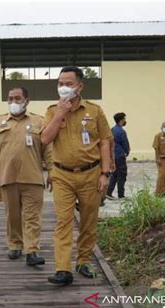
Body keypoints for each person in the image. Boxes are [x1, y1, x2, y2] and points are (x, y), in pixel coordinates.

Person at [41, 66, 112, 286]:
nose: (63, 87)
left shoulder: (94, 111)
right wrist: (60, 114)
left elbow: (105, 141)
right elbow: (44, 139)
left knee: (89, 221)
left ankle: (83, 261)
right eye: (61, 83)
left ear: (79, 86)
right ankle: (63, 269)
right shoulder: (52, 110)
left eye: (69, 84)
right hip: (62, 174)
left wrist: (104, 173)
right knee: (63, 221)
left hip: (91, 173)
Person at [0, 87, 52, 266]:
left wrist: (52, 171)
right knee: (12, 215)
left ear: (26, 101)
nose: (14, 102)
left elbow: (49, 149)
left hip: (33, 177)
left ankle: (32, 250)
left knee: (32, 216)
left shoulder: (39, 121)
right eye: (10, 98)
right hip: (7, 176)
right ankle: (15, 244)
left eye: (18, 98)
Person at [106, 112, 129, 200]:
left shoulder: (112, 130)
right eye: (124, 119)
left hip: (113, 155)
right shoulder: (121, 131)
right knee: (122, 175)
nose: (125, 121)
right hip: (120, 155)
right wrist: (126, 152)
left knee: (114, 174)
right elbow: (125, 144)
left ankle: (108, 192)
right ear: (121, 120)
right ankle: (121, 195)